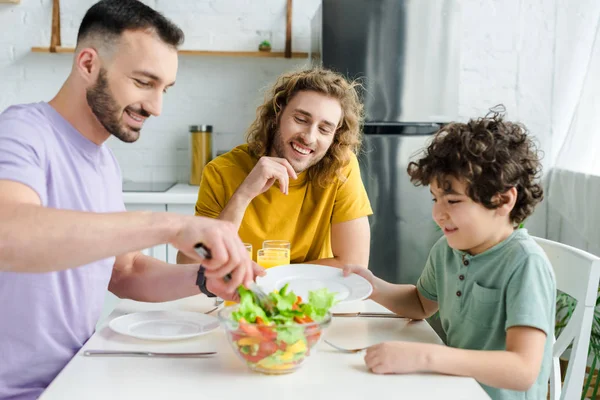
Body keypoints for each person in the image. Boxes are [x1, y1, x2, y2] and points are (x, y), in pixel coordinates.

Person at [0, 1, 258, 399]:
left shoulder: (104, 164)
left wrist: (207, 278)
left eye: (164, 89)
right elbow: (9, 236)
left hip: (75, 378)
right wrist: (171, 225)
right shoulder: (21, 132)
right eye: (143, 82)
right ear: (88, 64)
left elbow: (124, 271)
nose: (156, 107)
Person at [344, 110, 556, 400]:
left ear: (503, 199)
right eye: (435, 199)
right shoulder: (448, 249)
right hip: (453, 388)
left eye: (453, 200)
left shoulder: (524, 263)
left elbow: (522, 370)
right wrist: (371, 286)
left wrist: (424, 357)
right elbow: (420, 303)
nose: (437, 214)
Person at [178, 68, 373, 268]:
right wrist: (244, 194)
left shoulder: (340, 169)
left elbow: (354, 264)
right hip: (239, 297)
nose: (309, 137)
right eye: (301, 120)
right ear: (278, 113)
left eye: (324, 129)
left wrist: (275, 279)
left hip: (306, 295)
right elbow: (189, 264)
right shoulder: (221, 171)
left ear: (335, 136)